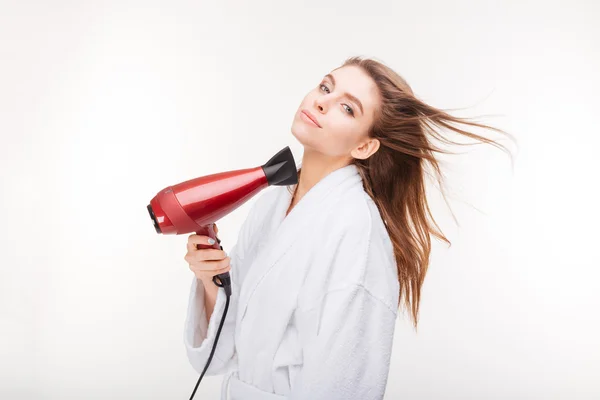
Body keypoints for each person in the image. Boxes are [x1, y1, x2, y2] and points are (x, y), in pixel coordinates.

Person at [183, 56, 514, 399]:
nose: (321, 102)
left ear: (365, 146)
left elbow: (347, 386)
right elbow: (219, 355)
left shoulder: (357, 232)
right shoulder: (274, 201)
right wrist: (211, 281)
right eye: (325, 86)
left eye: (347, 108)